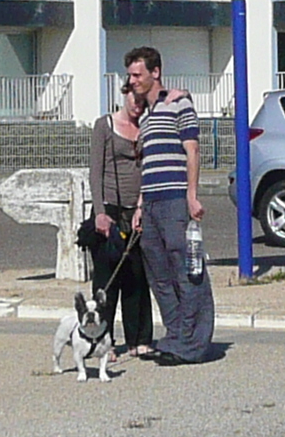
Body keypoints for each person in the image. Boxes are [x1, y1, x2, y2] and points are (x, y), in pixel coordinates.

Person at [123, 46, 213, 363]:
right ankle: (174, 337)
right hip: (151, 206)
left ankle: (194, 345)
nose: (132, 80)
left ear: (155, 72)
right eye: (130, 75)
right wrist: (139, 207)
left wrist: (191, 195)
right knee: (159, 277)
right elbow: (147, 166)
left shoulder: (179, 103)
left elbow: (193, 151)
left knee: (187, 273)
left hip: (176, 201)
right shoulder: (145, 118)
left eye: (137, 74)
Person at [83, 81, 155, 358]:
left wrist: (141, 206)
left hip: (135, 209)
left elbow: (148, 169)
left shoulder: (147, 129)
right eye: (134, 99)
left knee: (136, 277)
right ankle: (103, 341)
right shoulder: (105, 126)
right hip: (109, 208)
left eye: (142, 101)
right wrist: (100, 212)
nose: (138, 105)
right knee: (106, 280)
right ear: (124, 95)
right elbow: (95, 172)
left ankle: (139, 339)